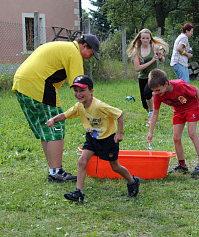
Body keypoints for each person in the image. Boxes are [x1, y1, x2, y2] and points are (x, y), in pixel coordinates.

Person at [12, 34, 100, 183]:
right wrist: (93, 107)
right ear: (84, 46)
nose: (90, 57)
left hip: (21, 84)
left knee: (46, 126)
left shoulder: (63, 47)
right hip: (38, 84)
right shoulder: (74, 53)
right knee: (56, 124)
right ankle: (56, 172)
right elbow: (80, 84)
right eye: (91, 53)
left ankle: (54, 170)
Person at [46, 75, 140, 203]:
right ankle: (78, 192)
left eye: (82, 90)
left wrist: (120, 133)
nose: (78, 94)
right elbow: (65, 115)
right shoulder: (79, 106)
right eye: (76, 91)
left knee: (115, 166)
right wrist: (53, 119)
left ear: (91, 91)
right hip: (91, 138)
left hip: (107, 139)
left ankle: (132, 181)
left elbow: (119, 114)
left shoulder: (99, 106)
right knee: (82, 161)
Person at [147, 69, 199, 175]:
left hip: (191, 107)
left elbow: (197, 91)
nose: (156, 93)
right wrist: (150, 132)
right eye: (154, 91)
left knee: (192, 133)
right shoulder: (157, 96)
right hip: (178, 111)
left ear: (166, 84)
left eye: (158, 90)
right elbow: (155, 114)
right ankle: (182, 165)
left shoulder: (180, 85)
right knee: (176, 138)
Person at [127, 28, 169, 126]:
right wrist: (152, 61)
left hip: (153, 75)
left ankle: (151, 115)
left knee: (147, 93)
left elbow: (162, 60)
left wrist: (161, 57)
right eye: (143, 38)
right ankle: (151, 115)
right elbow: (137, 68)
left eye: (147, 38)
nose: (145, 40)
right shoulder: (136, 51)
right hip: (142, 77)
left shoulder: (155, 48)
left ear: (150, 38)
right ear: (140, 39)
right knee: (144, 103)